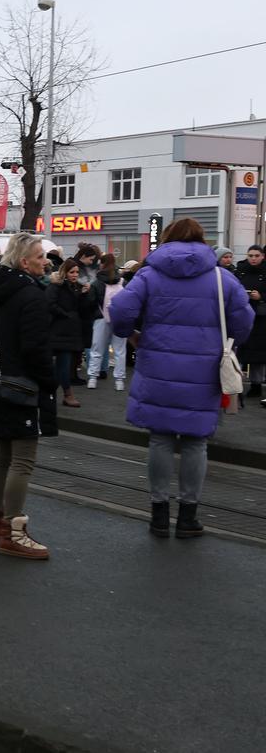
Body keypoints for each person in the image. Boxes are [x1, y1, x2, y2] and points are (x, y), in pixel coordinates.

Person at [111, 219, 253, 538]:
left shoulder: (149, 273)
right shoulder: (221, 277)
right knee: (195, 441)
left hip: (157, 363)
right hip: (204, 370)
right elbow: (245, 319)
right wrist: (229, 342)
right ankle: (188, 517)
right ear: (202, 240)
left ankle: (159, 514)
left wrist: (131, 335)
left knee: (160, 439)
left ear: (167, 238)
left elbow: (120, 310)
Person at [0, 233, 58, 560]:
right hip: (24, 385)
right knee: (23, 459)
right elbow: (36, 348)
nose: (46, 261)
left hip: (1, 381)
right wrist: (50, 380)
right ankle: (14, 532)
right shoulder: (31, 296)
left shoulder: (5, 291)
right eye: (41, 255)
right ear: (24, 261)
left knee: (2, 454)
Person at [45, 260, 93, 408]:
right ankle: (65, 394)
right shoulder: (56, 286)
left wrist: (85, 295)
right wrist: (65, 314)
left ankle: (55, 394)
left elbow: (83, 309)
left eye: (77, 272)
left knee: (63, 364)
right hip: (58, 330)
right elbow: (49, 303)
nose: (75, 275)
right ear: (64, 272)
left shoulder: (77, 288)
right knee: (61, 364)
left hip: (70, 331)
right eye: (72, 272)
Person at [86, 254, 128, 391]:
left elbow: (91, 302)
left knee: (97, 349)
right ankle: (119, 381)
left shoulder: (97, 282)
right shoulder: (122, 281)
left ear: (102, 264)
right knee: (120, 351)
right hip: (120, 318)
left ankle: (92, 378)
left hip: (101, 317)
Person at [234, 244, 266, 398]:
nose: (253, 258)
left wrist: (261, 297)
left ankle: (256, 384)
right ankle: (234, 383)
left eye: (256, 256)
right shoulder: (240, 270)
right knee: (239, 351)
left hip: (260, 317)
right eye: (250, 255)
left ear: (262, 256)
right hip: (242, 314)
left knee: (257, 354)